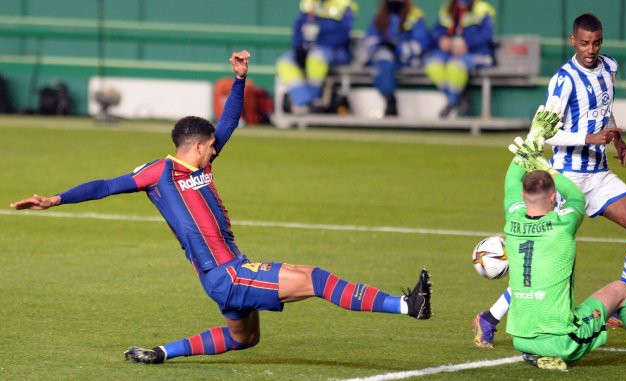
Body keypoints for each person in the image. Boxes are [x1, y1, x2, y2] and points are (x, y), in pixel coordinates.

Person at [9, 51, 432, 365]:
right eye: (210, 147)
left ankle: (160, 353)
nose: (216, 151)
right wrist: (56, 198)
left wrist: (239, 80)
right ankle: (407, 306)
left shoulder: (201, 165)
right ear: (195, 146)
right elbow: (106, 185)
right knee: (314, 278)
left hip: (225, 274)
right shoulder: (159, 173)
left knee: (245, 339)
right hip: (228, 275)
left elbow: (227, 124)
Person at [473, 13, 626, 348]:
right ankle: (489, 318)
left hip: (599, 175)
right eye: (585, 43)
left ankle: (620, 305)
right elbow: (547, 135)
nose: (591, 49)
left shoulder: (609, 67)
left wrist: (615, 136)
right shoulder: (563, 80)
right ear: (573, 41)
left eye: (597, 42)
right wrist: (591, 138)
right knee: (544, 263)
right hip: (566, 180)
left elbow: (603, 109)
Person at [499, 109, 626, 370]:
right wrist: (546, 166)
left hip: (520, 339)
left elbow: (511, 182)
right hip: (562, 341)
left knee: (544, 314)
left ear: (522, 197)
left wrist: (532, 138)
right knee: (620, 291)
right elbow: (575, 195)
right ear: (553, 198)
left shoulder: (512, 220)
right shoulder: (563, 224)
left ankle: (534, 353)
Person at [276, 0, 357, 114]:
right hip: (307, 50)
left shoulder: (343, 5)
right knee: (285, 62)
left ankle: (315, 100)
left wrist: (315, 46)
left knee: (316, 57)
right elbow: (298, 28)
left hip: (334, 52)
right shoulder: (309, 3)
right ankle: (303, 102)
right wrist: (300, 48)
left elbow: (342, 35)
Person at [424, 0, 495, 118]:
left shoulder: (482, 9)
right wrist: (441, 40)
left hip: (476, 53)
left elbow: (486, 35)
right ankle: (459, 96)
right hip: (450, 51)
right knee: (433, 65)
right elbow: (436, 31)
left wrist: (467, 44)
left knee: (455, 66)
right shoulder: (447, 9)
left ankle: (451, 102)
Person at [363, 0, 430, 116]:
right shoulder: (380, 16)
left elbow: (421, 43)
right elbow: (370, 38)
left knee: (384, 61)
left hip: (406, 60)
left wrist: (398, 48)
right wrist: (381, 45)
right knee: (383, 59)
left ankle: (390, 100)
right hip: (384, 60)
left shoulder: (414, 16)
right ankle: (390, 99)